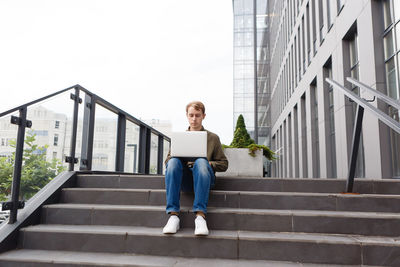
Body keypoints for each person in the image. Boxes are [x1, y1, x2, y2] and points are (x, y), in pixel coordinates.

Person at [162, 101, 228, 236]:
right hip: (185, 180)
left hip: (204, 177)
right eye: (191, 115)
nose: (194, 119)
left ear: (203, 116)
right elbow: (168, 161)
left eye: (197, 115)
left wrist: (210, 164)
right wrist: (181, 161)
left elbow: (224, 164)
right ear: (186, 116)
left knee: (201, 162)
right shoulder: (179, 138)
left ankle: (200, 216)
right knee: (173, 162)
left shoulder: (213, 138)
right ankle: (173, 216)